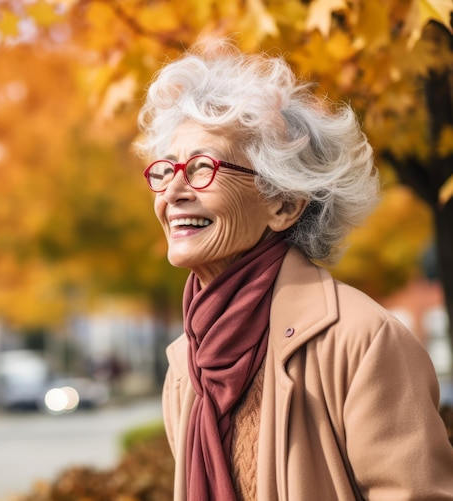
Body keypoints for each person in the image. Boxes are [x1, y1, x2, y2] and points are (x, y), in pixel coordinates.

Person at [135, 38, 453, 501]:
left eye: (202, 167)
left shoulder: (363, 340)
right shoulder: (185, 363)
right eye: (165, 170)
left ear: (283, 205)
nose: (173, 191)